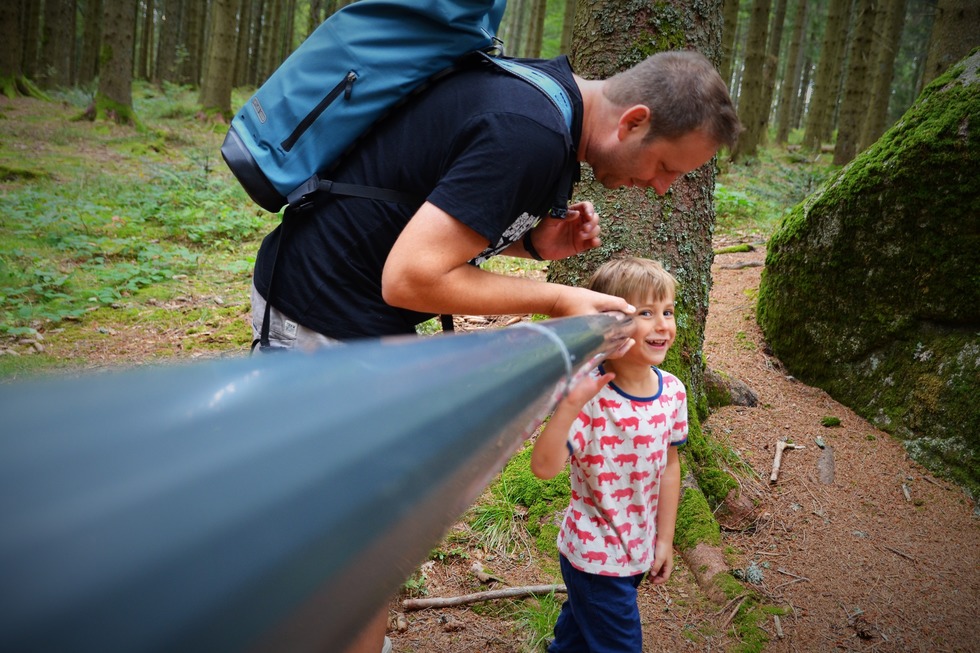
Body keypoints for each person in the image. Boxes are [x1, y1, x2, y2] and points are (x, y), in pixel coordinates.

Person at [249, 50, 737, 653]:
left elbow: (420, 207)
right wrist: (558, 298)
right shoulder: (529, 131)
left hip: (359, 322)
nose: (663, 187)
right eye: (666, 166)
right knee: (344, 553)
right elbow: (409, 275)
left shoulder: (546, 108)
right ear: (633, 121)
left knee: (364, 545)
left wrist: (533, 243)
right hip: (321, 320)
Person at [530, 257, 687, 653]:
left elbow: (670, 467)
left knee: (582, 632)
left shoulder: (673, 392)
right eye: (645, 313)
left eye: (667, 311)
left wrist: (664, 539)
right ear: (609, 325)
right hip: (594, 557)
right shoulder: (591, 397)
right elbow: (544, 468)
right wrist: (567, 407)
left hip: (638, 546)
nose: (662, 324)